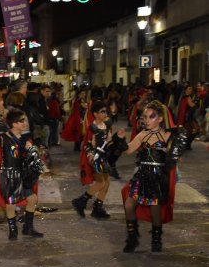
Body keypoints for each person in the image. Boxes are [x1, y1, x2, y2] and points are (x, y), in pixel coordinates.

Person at [119, 100, 185, 253]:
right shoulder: (142, 134)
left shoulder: (167, 135)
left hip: (158, 178)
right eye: (145, 117)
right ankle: (133, 238)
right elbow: (128, 151)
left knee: (155, 210)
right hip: (142, 175)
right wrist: (121, 141)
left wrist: (174, 149)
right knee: (129, 205)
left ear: (160, 119)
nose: (147, 120)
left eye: (151, 117)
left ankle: (156, 239)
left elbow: (177, 158)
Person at [0, 109, 44, 239]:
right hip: (9, 174)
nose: (24, 123)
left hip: (23, 174)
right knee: (11, 203)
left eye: (24, 120)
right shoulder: (3, 138)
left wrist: (31, 150)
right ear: (14, 124)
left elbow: (29, 157)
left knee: (32, 199)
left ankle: (28, 227)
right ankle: (13, 229)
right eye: (21, 121)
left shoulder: (25, 139)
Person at [71, 100, 123, 219]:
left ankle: (97, 207)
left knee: (107, 182)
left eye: (106, 111)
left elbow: (108, 141)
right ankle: (81, 201)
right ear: (95, 114)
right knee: (101, 182)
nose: (105, 114)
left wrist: (118, 140)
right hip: (96, 158)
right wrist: (90, 156)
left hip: (104, 157)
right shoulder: (92, 128)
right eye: (102, 112)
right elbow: (87, 144)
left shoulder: (107, 125)